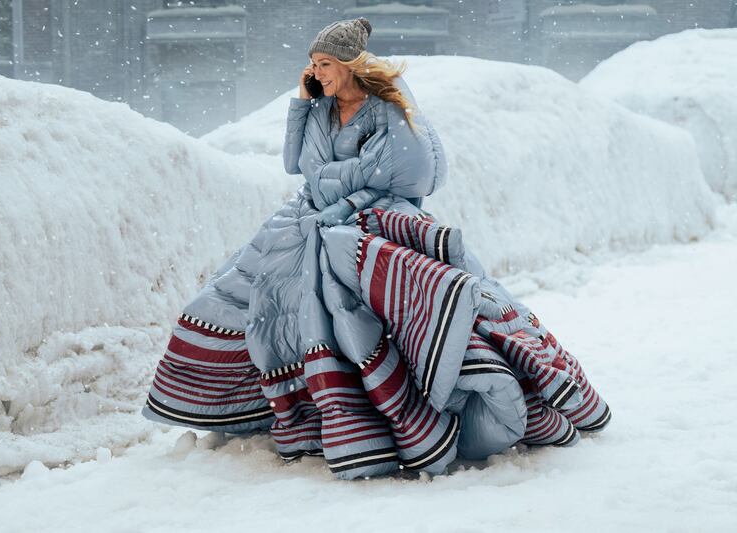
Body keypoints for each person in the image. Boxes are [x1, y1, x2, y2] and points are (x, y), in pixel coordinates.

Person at [143, 18, 611, 480]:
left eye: (324, 63)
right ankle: (283, 407)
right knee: (247, 299)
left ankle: (392, 416)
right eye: (312, 64)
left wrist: (341, 195)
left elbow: (407, 177)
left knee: (385, 307)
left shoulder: (387, 109)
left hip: (374, 218)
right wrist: (302, 105)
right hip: (308, 217)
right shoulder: (320, 107)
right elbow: (295, 163)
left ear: (349, 64)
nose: (317, 72)